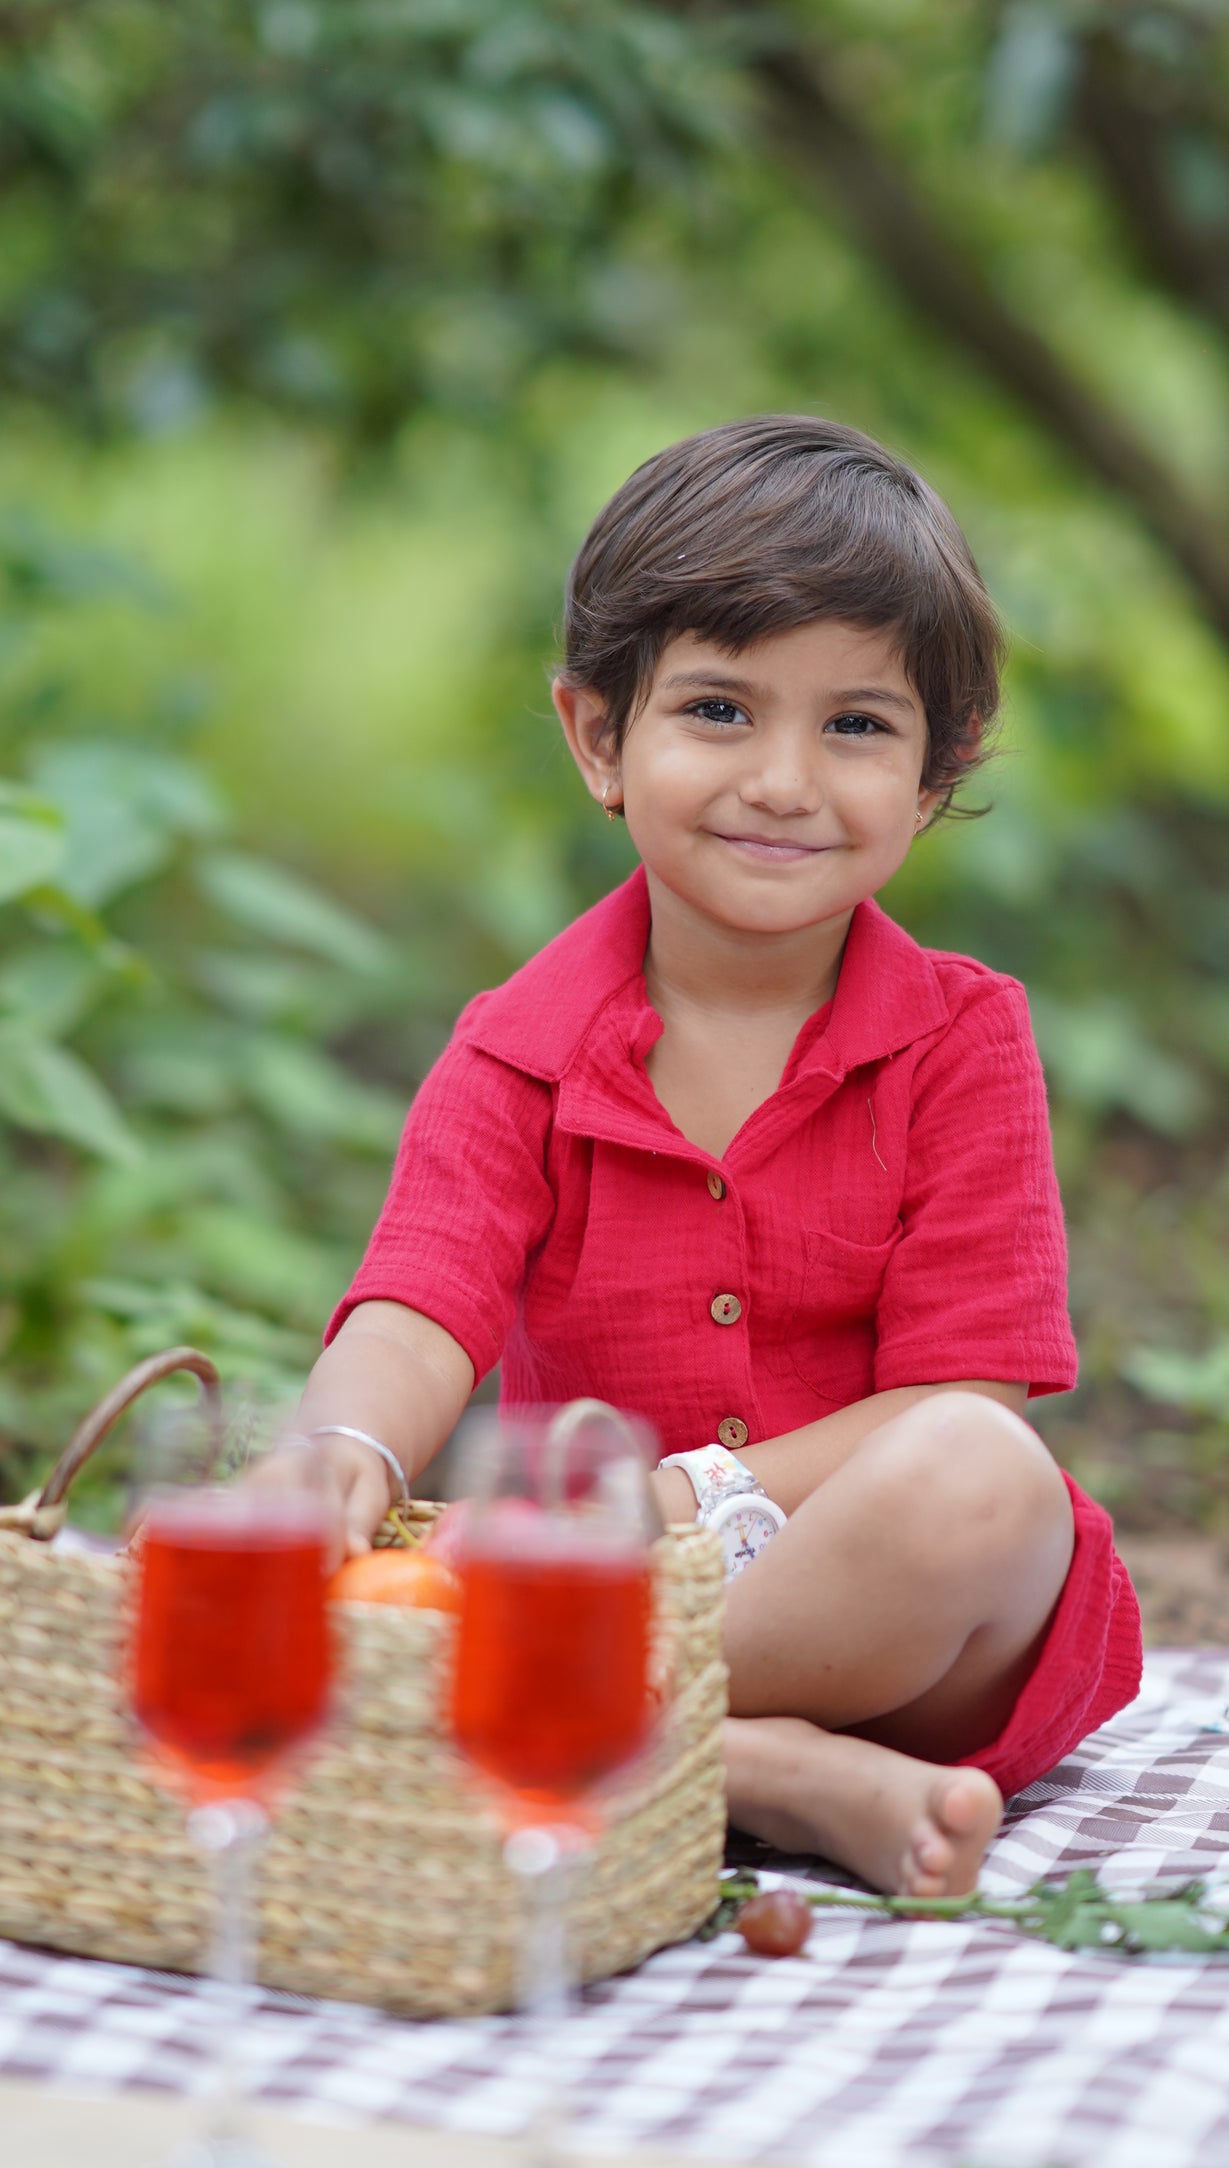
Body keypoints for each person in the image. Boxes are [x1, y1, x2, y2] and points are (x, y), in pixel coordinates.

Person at [295, 415, 1143, 1898]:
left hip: (901, 1627)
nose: (783, 782)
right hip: (608, 1593)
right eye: (720, 711)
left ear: (934, 777)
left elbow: (962, 1395)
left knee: (976, 1471)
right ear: (598, 738)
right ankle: (758, 1772)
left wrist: (686, 1501)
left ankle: (592, 1734)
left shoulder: (958, 1040)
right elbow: (420, 1298)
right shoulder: (518, 1047)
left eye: (857, 726)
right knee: (404, 1574)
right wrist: (341, 1454)